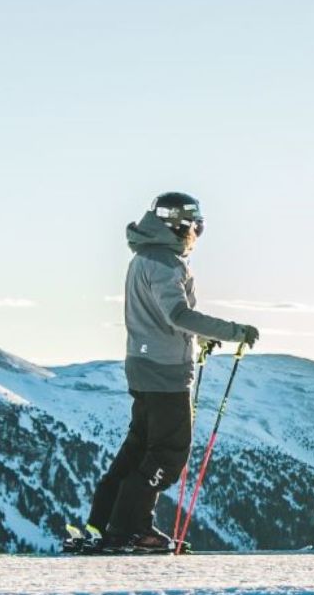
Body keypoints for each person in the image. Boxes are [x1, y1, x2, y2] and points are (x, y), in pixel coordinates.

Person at [80, 193, 259, 553]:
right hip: (164, 371)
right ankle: (130, 530)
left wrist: (199, 337)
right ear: (179, 225)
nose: (196, 233)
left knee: (139, 449)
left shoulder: (143, 257)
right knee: (168, 454)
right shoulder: (164, 263)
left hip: (143, 365)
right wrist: (234, 331)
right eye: (195, 226)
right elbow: (176, 315)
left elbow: (165, 319)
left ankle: (99, 524)